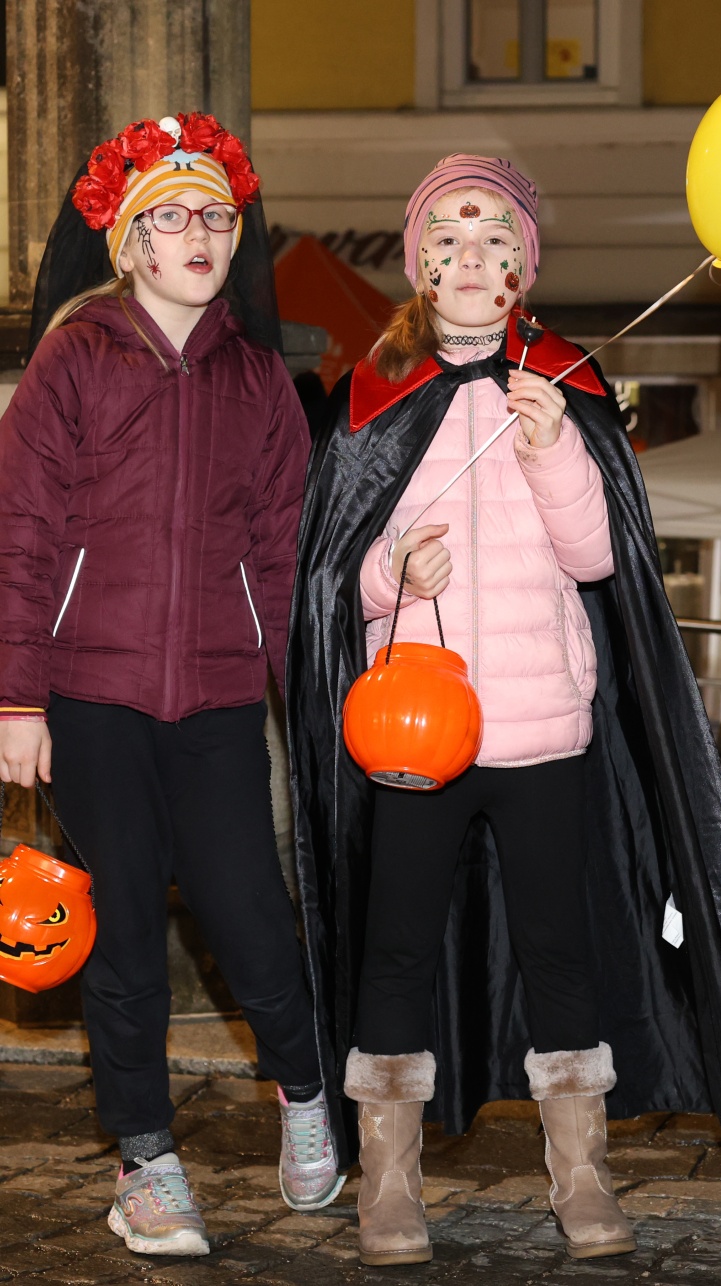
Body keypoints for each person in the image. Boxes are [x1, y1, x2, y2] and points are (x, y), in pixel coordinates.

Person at [286, 155, 721, 1267]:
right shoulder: (374, 391)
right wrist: (389, 576)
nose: (471, 257)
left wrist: (555, 447)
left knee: (560, 948)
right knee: (397, 949)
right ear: (419, 265)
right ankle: (389, 1181)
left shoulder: (565, 384)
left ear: (523, 266)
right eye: (448, 239)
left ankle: (580, 1171)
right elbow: (332, 575)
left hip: (541, 728)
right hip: (415, 734)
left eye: (494, 239)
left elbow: (600, 557)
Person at [0, 114, 336, 1256]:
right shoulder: (75, 357)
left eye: (218, 216)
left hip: (218, 701)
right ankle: (146, 1162)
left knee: (252, 914)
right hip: (90, 700)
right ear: (132, 241)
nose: (200, 232)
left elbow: (285, 551)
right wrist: (17, 700)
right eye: (173, 215)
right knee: (126, 932)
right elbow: (21, 532)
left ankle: (304, 1092)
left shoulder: (259, 377)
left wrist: (304, 694)